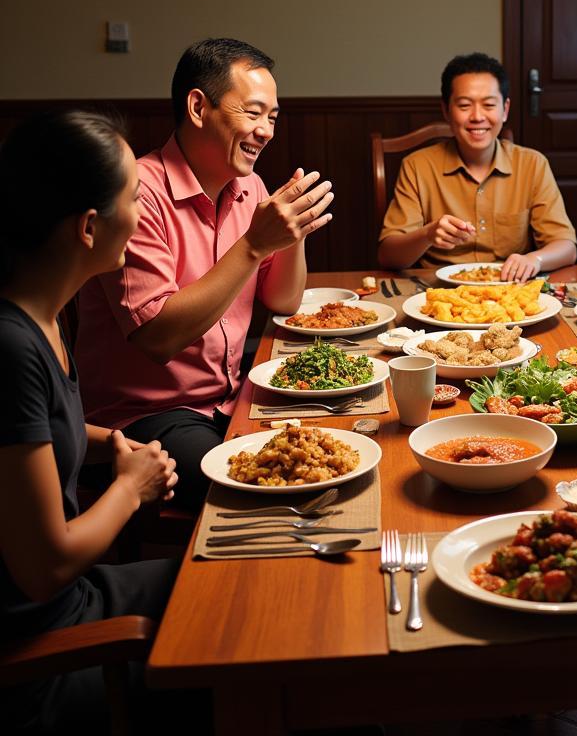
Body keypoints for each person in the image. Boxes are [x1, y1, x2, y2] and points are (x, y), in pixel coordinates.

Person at [75, 38, 333, 510]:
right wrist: (256, 243)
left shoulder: (250, 186)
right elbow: (157, 338)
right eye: (253, 113)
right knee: (264, 492)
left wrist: (293, 230)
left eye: (273, 118)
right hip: (143, 418)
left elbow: (284, 302)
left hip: (230, 396)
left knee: (328, 451)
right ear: (198, 107)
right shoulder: (137, 190)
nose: (266, 131)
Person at [0, 111, 181, 734]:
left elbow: (41, 438)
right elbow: (44, 564)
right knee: (260, 652)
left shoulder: (46, 314)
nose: (144, 211)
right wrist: (132, 487)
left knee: (251, 584)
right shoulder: (12, 346)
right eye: (135, 197)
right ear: (87, 227)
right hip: (39, 658)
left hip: (73, 604)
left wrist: (117, 444)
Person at [378, 52, 577, 281]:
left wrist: (535, 259)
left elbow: (566, 246)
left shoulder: (532, 164)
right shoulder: (417, 166)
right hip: (438, 294)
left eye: (489, 105)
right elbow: (388, 255)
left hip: (510, 292)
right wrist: (428, 234)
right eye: (464, 105)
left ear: (505, 110)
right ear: (446, 110)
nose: (477, 116)